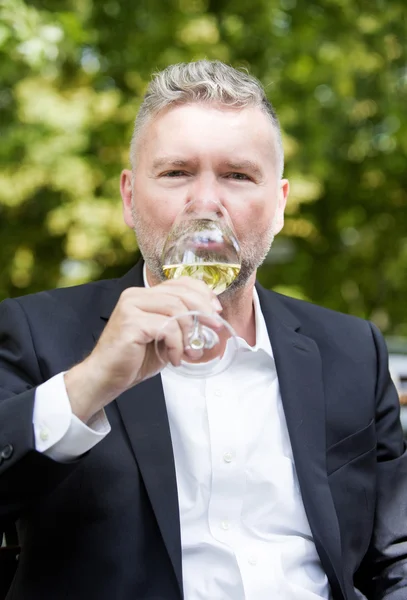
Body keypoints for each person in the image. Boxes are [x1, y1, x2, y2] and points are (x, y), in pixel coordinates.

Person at [0, 59, 406, 600]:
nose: (206, 202)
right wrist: (88, 386)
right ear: (128, 197)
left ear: (280, 204)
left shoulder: (354, 349)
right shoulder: (34, 330)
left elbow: (395, 558)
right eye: (176, 173)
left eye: (238, 176)